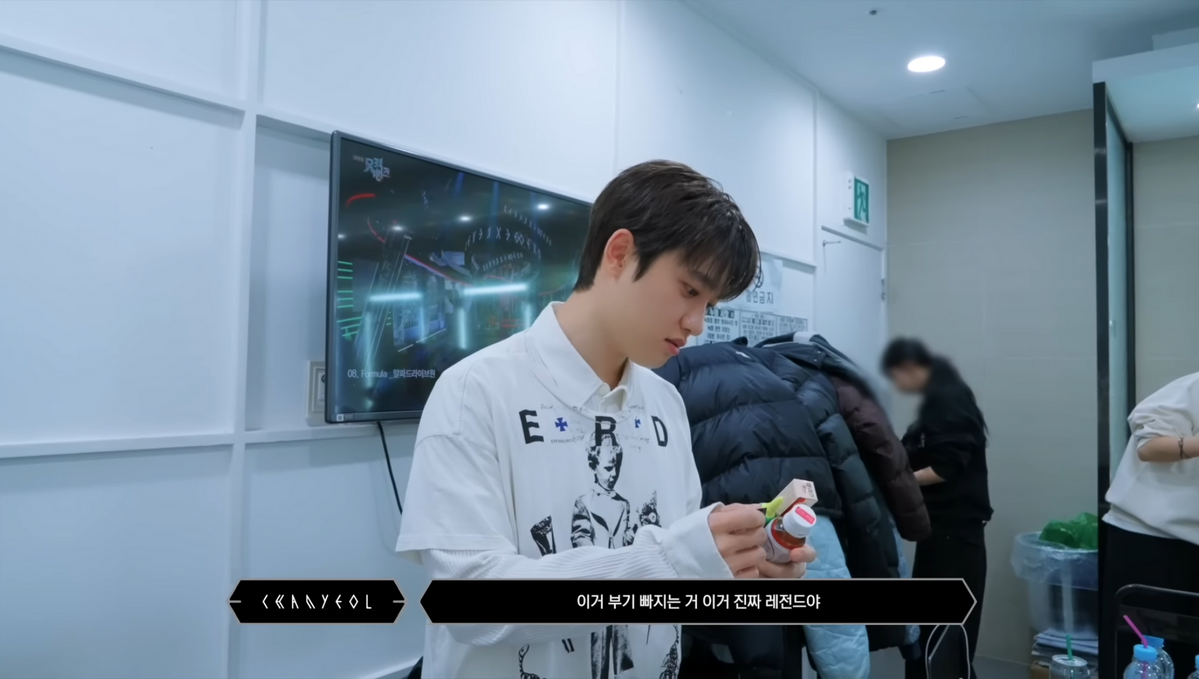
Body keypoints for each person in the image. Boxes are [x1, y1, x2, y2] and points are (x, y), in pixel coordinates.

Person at [395, 160, 818, 679]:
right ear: (619, 253)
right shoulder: (474, 391)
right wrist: (670, 564)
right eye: (690, 290)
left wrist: (739, 567)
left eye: (709, 304)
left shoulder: (665, 403)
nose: (698, 324)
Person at [881, 338, 991, 679]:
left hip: (954, 536)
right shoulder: (940, 399)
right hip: (944, 534)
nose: (897, 385)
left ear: (910, 368)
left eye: (896, 376)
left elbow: (946, 466)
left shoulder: (948, 398)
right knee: (938, 634)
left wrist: (900, 482)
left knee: (941, 637)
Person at [1101, 371, 1199, 677]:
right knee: (1146, 655)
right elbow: (1149, 446)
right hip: (1151, 540)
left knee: (1188, 657)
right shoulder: (1193, 388)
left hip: (1191, 541)